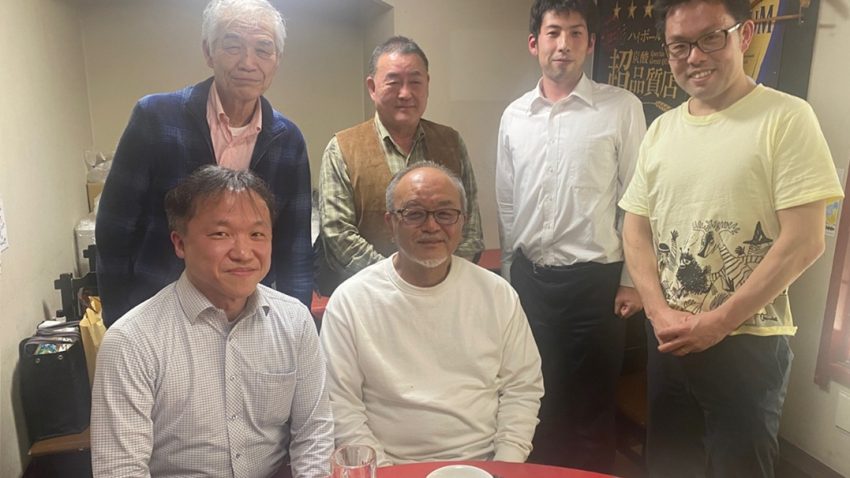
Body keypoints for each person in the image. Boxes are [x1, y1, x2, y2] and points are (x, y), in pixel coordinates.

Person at [619, 0, 843, 475]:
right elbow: (635, 228)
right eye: (679, 45)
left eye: (711, 37)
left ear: (744, 35)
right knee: (669, 466)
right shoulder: (661, 130)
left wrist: (719, 322)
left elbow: (805, 240)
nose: (695, 56)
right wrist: (658, 312)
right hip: (668, 337)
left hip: (747, 343)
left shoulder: (786, 118)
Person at [91, 166, 333, 478]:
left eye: (257, 234)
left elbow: (314, 434)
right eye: (221, 234)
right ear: (180, 243)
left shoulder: (295, 322)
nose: (243, 252)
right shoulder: (131, 342)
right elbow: (120, 470)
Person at [495, 0, 646, 471]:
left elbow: (637, 201)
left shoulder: (621, 109)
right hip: (530, 283)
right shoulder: (514, 116)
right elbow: (506, 201)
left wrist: (633, 280)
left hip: (596, 285)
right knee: (532, 399)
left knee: (591, 407)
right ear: (534, 43)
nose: (564, 44)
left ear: (591, 43)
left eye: (576, 33)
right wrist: (509, 277)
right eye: (554, 32)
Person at [96, 0, 312, 326]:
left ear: (277, 60)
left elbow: (295, 247)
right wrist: (119, 320)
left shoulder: (288, 139)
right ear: (209, 52)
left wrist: (298, 326)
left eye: (263, 49)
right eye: (233, 46)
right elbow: (115, 228)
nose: (248, 62)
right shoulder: (156, 119)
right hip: (161, 312)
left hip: (246, 315)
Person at [320, 162, 543, 466]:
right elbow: (341, 405)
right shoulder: (351, 301)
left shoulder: (496, 294)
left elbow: (522, 388)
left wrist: (504, 465)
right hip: (392, 467)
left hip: (484, 463)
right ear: (391, 222)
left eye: (445, 213)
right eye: (414, 214)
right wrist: (383, 472)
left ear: (462, 221)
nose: (431, 226)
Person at [316, 36, 484, 294]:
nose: (405, 94)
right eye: (394, 82)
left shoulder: (451, 142)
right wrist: (397, 282)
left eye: (415, 82)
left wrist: (442, 280)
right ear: (372, 87)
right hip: (371, 295)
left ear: (427, 85)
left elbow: (470, 227)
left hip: (447, 293)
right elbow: (338, 236)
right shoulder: (342, 149)